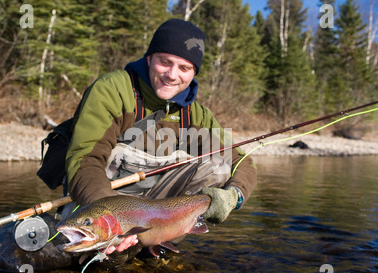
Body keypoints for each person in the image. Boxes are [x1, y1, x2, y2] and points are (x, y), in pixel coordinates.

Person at [65, 19, 257, 257]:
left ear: (194, 73)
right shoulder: (112, 90)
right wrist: (108, 220)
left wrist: (234, 197)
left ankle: (158, 243)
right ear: (149, 58)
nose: (172, 75)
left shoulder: (197, 115)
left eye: (184, 68)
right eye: (164, 62)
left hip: (154, 214)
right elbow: (85, 158)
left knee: (218, 167)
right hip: (100, 201)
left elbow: (240, 161)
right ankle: (116, 249)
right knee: (96, 257)